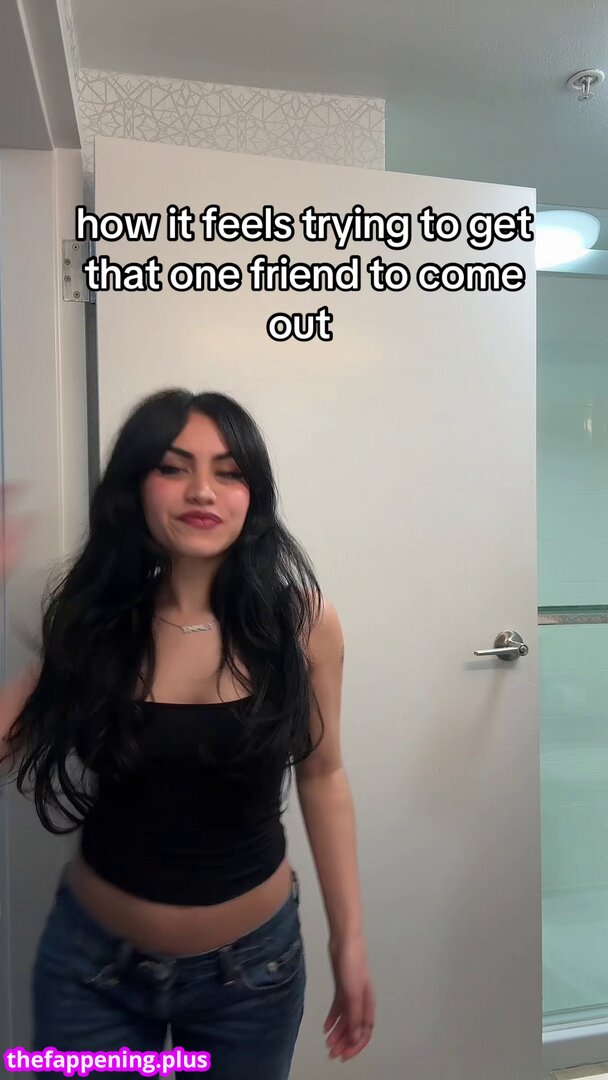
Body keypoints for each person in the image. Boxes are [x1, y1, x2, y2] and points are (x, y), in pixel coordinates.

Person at [0, 388, 375, 1079]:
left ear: (252, 494)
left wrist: (347, 940)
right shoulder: (93, 621)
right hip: (91, 973)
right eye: (174, 468)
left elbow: (324, 776)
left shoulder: (301, 623)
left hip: (252, 977)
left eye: (228, 472)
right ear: (134, 487)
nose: (203, 490)